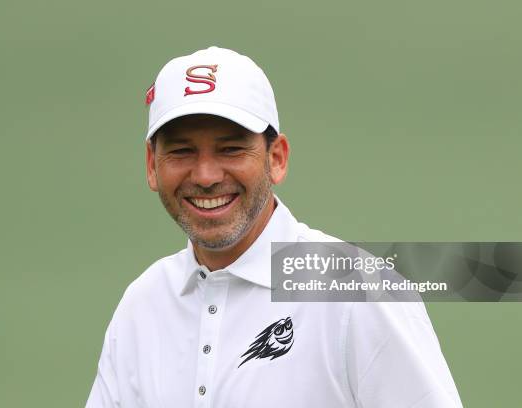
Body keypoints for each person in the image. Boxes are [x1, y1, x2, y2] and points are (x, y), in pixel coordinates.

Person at [86, 46, 463, 408]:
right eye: (182, 151)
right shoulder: (142, 305)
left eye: (230, 149)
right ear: (152, 165)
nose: (205, 176)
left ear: (277, 158)